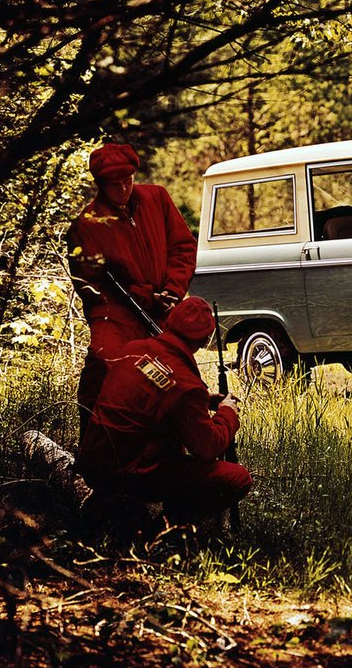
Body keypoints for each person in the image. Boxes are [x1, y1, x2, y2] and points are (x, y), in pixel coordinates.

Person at [76, 296, 251, 525]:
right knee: (238, 478)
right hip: (128, 474)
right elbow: (208, 447)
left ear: (170, 322)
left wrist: (204, 401)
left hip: (92, 465)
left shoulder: (133, 350)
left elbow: (148, 393)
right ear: (206, 339)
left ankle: (110, 504)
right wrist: (227, 412)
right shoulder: (186, 386)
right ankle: (167, 529)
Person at [67, 142, 197, 433]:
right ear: (100, 184)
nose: (123, 189)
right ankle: (94, 443)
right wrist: (145, 296)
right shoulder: (87, 225)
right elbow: (90, 285)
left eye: (127, 180)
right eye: (115, 184)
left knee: (171, 378)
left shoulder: (156, 198)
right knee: (103, 367)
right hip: (116, 316)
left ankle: (168, 447)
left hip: (163, 308)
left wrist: (173, 292)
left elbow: (183, 247)